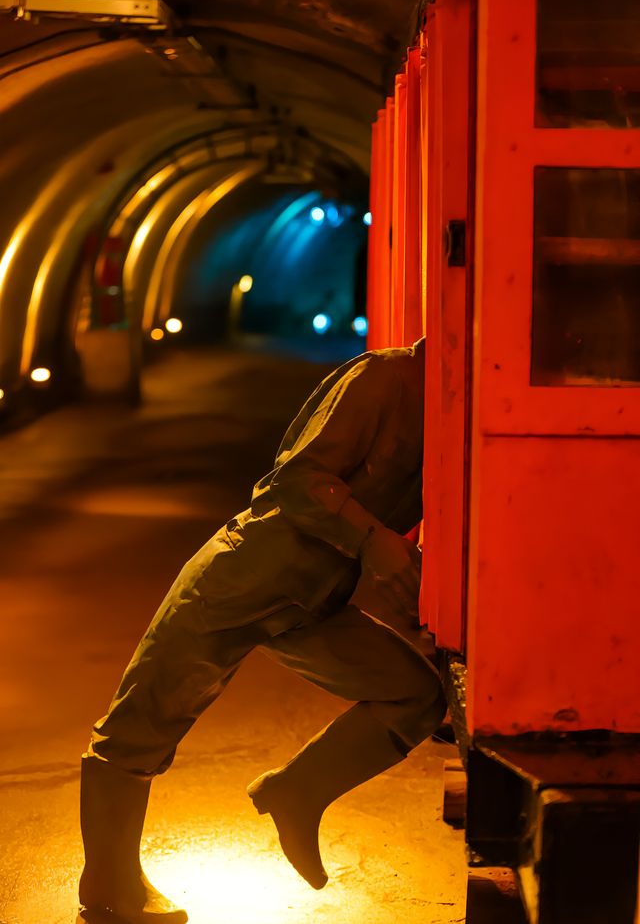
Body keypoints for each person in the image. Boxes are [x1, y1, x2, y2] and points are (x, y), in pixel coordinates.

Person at [78, 336, 447, 924]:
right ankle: (109, 894)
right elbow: (297, 480)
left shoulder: (451, 408)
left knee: (414, 695)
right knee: (136, 730)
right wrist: (374, 541)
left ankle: (296, 792)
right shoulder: (386, 379)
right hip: (242, 577)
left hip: (310, 600)